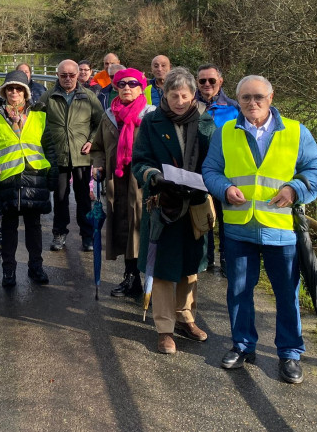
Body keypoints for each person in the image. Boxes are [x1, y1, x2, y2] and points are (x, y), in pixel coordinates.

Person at [203, 75, 317, 384]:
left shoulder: (297, 132)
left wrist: (296, 189)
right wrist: (224, 188)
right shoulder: (225, 132)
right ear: (238, 100)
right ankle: (243, 345)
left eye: (258, 97)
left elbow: (316, 170)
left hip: (281, 229)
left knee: (287, 293)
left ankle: (290, 353)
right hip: (239, 227)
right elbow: (210, 170)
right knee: (239, 291)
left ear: (271, 98)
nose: (252, 103)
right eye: (245, 98)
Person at [133, 67, 213, 354]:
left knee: (191, 265)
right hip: (163, 202)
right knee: (165, 267)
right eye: (173, 94)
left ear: (193, 96)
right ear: (164, 94)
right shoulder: (151, 123)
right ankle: (164, 328)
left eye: (185, 95)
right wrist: (154, 176)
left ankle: (186, 318)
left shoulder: (206, 124)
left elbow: (214, 162)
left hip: (195, 202)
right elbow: (139, 161)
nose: (179, 100)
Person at [0, 69, 57, 287]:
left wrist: (53, 176)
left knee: (34, 228)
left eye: (19, 89)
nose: (14, 92)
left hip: (35, 178)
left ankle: (36, 267)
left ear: (25, 93)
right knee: (8, 230)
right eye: (10, 89)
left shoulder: (39, 116)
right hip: (8, 180)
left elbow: (50, 149)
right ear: (4, 92)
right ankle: (9, 272)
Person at [90, 68, 156, 297]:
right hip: (116, 182)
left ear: (141, 87)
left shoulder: (151, 115)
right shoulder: (108, 115)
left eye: (132, 83)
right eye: (121, 84)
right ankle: (130, 277)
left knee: (141, 229)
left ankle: (147, 280)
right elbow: (97, 147)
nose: (127, 87)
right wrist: (97, 164)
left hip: (142, 183)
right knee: (123, 230)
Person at [38, 59, 103, 252]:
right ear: (57, 75)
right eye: (63, 75)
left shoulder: (89, 97)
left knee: (83, 198)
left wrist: (92, 140)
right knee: (60, 197)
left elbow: (100, 122)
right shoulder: (47, 97)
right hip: (58, 156)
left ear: (78, 75)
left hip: (82, 156)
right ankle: (59, 233)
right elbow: (37, 124)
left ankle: (87, 236)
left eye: (71, 75)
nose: (67, 79)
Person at [195, 63, 239, 273]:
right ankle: (205, 258)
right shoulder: (189, 105)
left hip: (225, 172)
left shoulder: (233, 108)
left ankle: (226, 259)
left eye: (212, 80)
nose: (207, 84)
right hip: (197, 169)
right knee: (202, 215)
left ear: (220, 82)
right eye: (202, 80)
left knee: (225, 217)